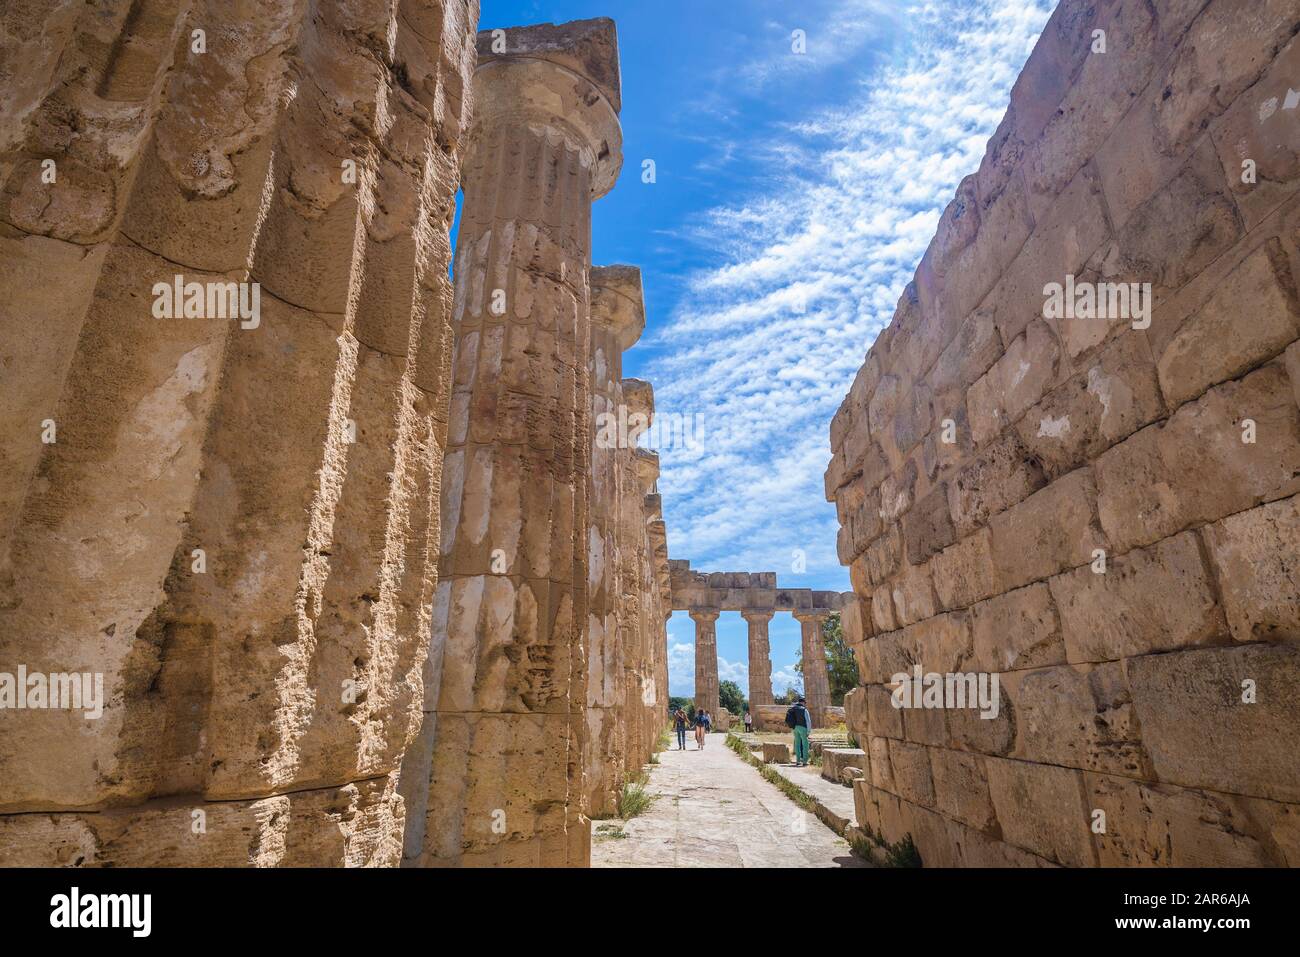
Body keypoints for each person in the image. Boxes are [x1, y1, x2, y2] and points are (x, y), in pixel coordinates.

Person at [785, 696, 813, 766]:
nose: (805, 704)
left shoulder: (793, 709)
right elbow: (808, 721)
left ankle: (798, 761)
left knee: (797, 744)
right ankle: (805, 761)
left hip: (795, 728)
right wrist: (808, 731)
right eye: (804, 703)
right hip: (803, 727)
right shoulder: (804, 710)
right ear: (803, 703)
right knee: (805, 744)